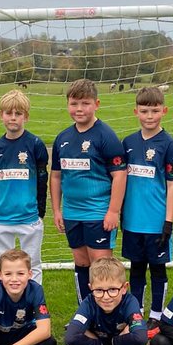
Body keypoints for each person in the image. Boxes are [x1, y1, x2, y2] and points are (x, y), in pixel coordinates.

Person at [50, 79, 127, 302]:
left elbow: (120, 175)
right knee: (82, 264)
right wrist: (57, 210)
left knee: (102, 268)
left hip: (97, 213)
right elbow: (56, 176)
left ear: (97, 104)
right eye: (74, 104)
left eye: (85, 103)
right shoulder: (63, 138)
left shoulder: (105, 136)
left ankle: (113, 315)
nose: (79, 109)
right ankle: (85, 312)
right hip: (72, 214)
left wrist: (113, 211)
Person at [120, 86, 173, 328]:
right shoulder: (128, 143)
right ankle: (137, 314)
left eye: (155, 110)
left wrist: (168, 221)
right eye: (144, 111)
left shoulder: (168, 145)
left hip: (156, 222)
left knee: (157, 270)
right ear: (136, 111)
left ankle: (156, 315)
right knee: (136, 270)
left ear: (164, 111)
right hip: (132, 221)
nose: (149, 116)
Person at [0, 90, 49, 284]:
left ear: (26, 117)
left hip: (29, 217)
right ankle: (5, 306)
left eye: (18, 114)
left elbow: (42, 179)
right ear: (1, 115)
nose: (13, 118)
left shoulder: (35, 145)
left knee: (32, 264)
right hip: (0, 218)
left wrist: (40, 210)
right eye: (8, 113)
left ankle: (36, 305)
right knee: (3, 265)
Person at [65, 256, 148, 345]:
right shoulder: (89, 302)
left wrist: (113, 342)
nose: (106, 296)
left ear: (124, 288)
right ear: (91, 288)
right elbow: (71, 338)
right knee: (73, 341)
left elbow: (140, 337)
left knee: (136, 335)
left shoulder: (130, 302)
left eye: (112, 289)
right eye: (99, 290)